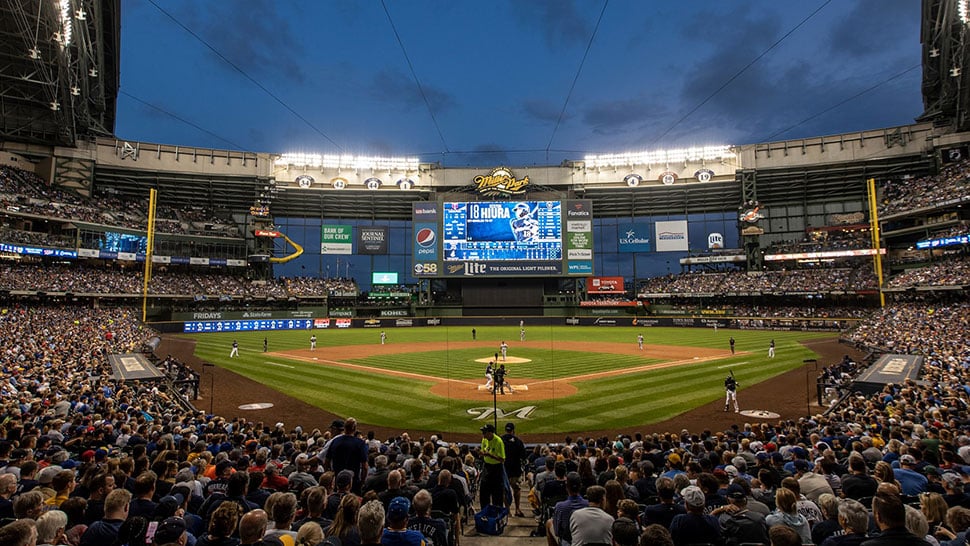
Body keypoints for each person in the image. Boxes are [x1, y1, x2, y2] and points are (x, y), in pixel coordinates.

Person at [502, 422, 527, 518]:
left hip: (504, 471)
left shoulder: (501, 440)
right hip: (515, 470)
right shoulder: (518, 441)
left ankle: (507, 510)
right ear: (513, 431)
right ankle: (517, 509)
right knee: (516, 489)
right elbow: (523, 456)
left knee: (505, 490)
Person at [479, 424, 506, 509]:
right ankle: (484, 511)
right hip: (487, 467)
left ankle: (497, 513)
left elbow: (502, 459)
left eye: (485, 432)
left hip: (496, 468)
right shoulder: (484, 439)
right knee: (484, 492)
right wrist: (481, 453)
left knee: (497, 493)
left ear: (491, 433)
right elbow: (483, 451)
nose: (483, 434)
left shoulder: (498, 441)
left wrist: (490, 455)